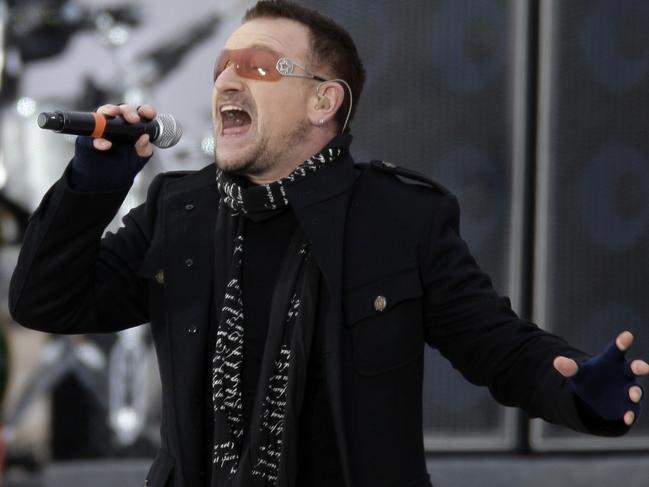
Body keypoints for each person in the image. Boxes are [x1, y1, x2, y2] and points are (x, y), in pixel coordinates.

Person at [9, 1, 648, 486]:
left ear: (323, 101)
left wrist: (577, 391)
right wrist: (90, 190)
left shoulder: (399, 216)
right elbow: (46, 302)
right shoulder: (179, 210)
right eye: (221, 67)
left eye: (257, 66)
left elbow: (498, 348)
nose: (227, 80)